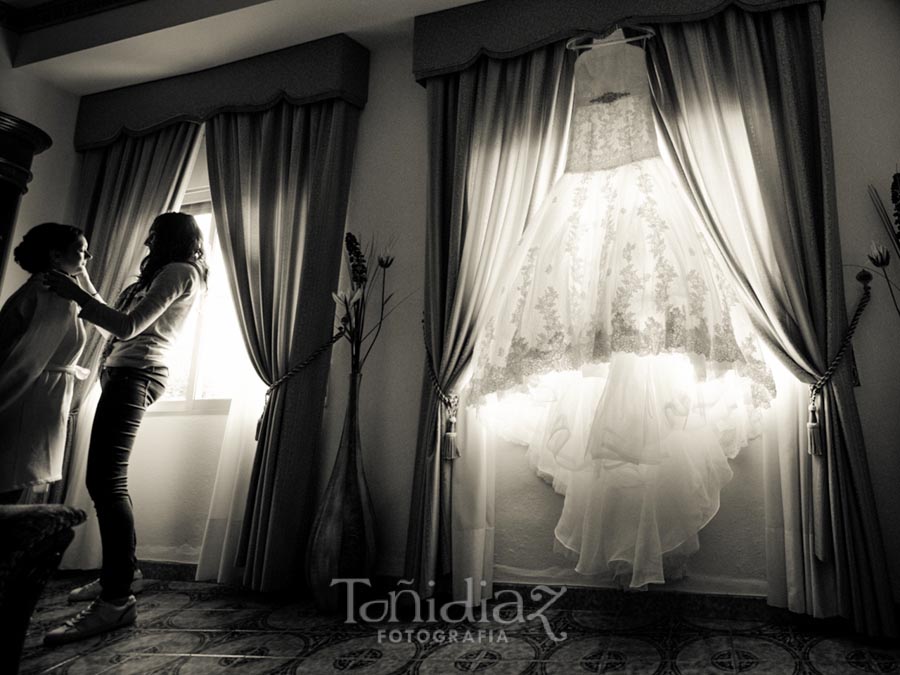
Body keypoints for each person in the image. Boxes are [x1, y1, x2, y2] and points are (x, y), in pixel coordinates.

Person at [42, 212, 208, 645]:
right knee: (105, 481)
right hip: (123, 374)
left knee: (105, 481)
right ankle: (124, 576)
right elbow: (110, 321)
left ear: (170, 239)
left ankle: (115, 601)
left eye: (154, 237)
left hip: (138, 376)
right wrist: (83, 282)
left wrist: (75, 289)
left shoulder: (180, 271)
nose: (148, 245)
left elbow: (128, 326)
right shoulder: (165, 274)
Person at [0, 223, 94, 504]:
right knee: (10, 484)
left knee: (12, 483)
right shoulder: (51, 295)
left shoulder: (51, 291)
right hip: (31, 396)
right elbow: (28, 358)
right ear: (55, 255)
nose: (86, 259)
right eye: (81, 251)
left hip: (41, 395)